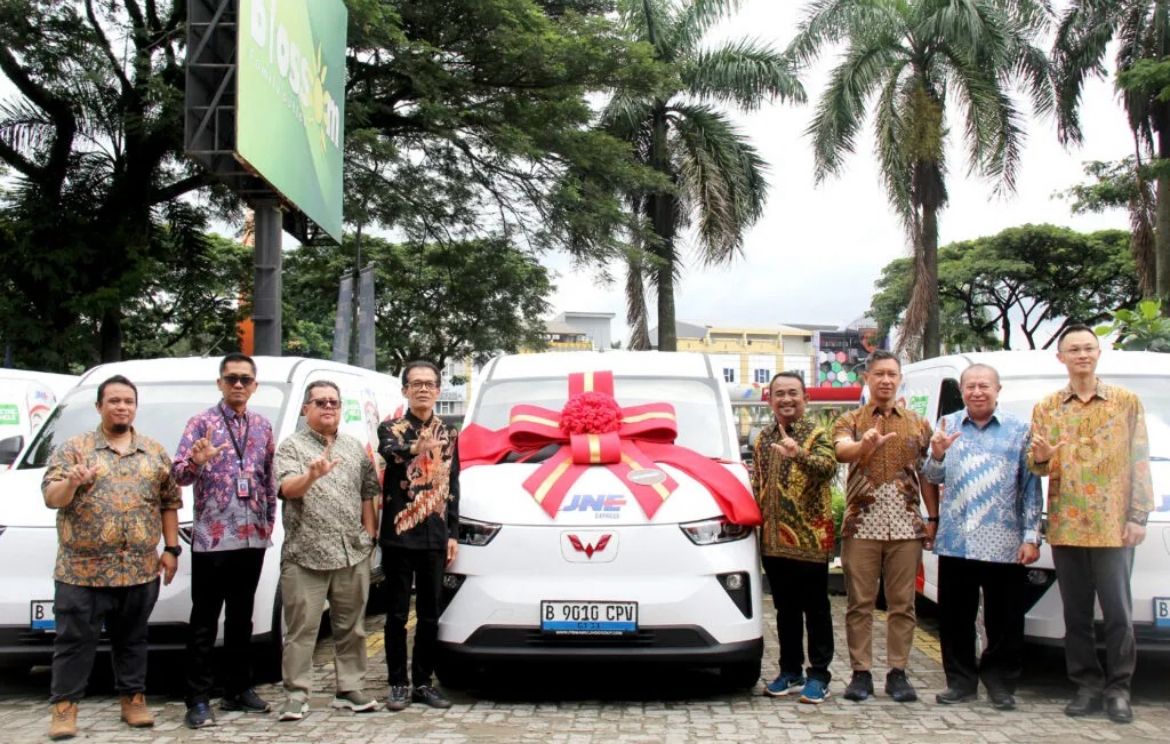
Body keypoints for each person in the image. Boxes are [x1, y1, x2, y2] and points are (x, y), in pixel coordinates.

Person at [42, 376, 182, 740]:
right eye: (114, 401)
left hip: (138, 569)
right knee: (73, 643)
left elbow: (169, 502)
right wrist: (72, 482)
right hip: (81, 572)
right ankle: (64, 708)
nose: (121, 407)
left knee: (133, 640)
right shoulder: (74, 450)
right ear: (99, 406)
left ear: (135, 407)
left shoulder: (154, 452)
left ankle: (133, 700)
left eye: (128, 401)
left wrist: (171, 549)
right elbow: (52, 498)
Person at [1028, 324, 1154, 724]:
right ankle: (1086, 685)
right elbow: (1036, 465)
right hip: (1067, 525)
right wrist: (1042, 457)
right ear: (1061, 358)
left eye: (1088, 348)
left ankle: (1119, 689)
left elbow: (1140, 460)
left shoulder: (1125, 403)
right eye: (1074, 350)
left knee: (1118, 613)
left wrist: (1138, 515)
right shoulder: (1047, 408)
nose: (1082, 355)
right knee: (1076, 614)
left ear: (1098, 353)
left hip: (1113, 526)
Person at [923, 364, 1042, 711]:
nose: (977, 392)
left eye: (984, 386)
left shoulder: (1020, 430)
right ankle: (960, 682)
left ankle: (1000, 683)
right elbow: (931, 475)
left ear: (997, 390)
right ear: (961, 391)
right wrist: (938, 454)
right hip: (957, 541)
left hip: (1004, 542)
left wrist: (1031, 537)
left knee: (1004, 619)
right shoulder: (946, 425)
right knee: (954, 617)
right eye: (970, 386)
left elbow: (1031, 486)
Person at [172, 353, 276, 728]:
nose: (238, 384)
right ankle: (198, 698)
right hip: (213, 540)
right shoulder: (201, 423)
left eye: (245, 379)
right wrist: (197, 462)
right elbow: (178, 475)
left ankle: (238, 689)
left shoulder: (262, 426)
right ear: (219, 383)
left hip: (251, 538)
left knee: (241, 619)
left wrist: (268, 524)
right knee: (204, 620)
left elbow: (268, 478)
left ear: (255, 385)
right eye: (231, 378)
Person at [832, 350, 937, 703]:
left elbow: (926, 474)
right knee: (859, 604)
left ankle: (898, 673)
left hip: (906, 527)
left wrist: (932, 518)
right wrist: (864, 445)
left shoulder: (919, 423)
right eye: (879, 374)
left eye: (892, 374)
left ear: (900, 378)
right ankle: (861, 673)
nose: (886, 380)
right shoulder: (851, 419)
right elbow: (841, 451)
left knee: (903, 604)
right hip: (861, 526)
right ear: (867, 378)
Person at [274, 381, 381, 721]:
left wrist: (370, 533)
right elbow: (288, 489)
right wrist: (310, 475)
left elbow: (368, 491)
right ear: (306, 408)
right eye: (320, 402)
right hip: (305, 554)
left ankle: (350, 689)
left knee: (351, 628)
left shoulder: (353, 447)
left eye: (334, 402)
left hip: (352, 552)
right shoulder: (291, 447)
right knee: (302, 630)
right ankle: (296, 694)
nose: (328, 407)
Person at [378, 361, 460, 711]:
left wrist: (453, 532)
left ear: (438, 390)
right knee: (397, 614)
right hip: (399, 534)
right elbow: (389, 453)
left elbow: (453, 483)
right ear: (405, 390)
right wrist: (416, 448)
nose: (423, 389)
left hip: (434, 535)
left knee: (430, 613)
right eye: (416, 384)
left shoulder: (449, 431)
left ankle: (423, 683)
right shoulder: (391, 428)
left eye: (429, 384)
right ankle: (398, 682)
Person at [752, 372, 838, 704]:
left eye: (793, 393)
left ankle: (819, 675)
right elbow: (758, 482)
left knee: (816, 609)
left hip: (810, 539)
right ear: (770, 399)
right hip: (773, 541)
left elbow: (829, 468)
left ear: (806, 398)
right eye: (779, 394)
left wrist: (798, 453)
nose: (786, 399)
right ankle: (790, 671)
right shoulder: (762, 438)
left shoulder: (817, 434)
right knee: (785, 609)